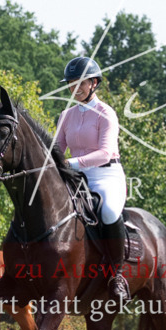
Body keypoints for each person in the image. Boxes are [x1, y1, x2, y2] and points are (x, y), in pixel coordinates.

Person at [54, 56, 129, 302]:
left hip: (106, 175)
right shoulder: (66, 115)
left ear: (94, 83)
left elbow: (105, 152)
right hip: (76, 178)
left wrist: (70, 163)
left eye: (80, 83)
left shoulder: (105, 113)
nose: (75, 88)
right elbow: (57, 149)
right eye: (71, 83)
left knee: (107, 211)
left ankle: (116, 275)